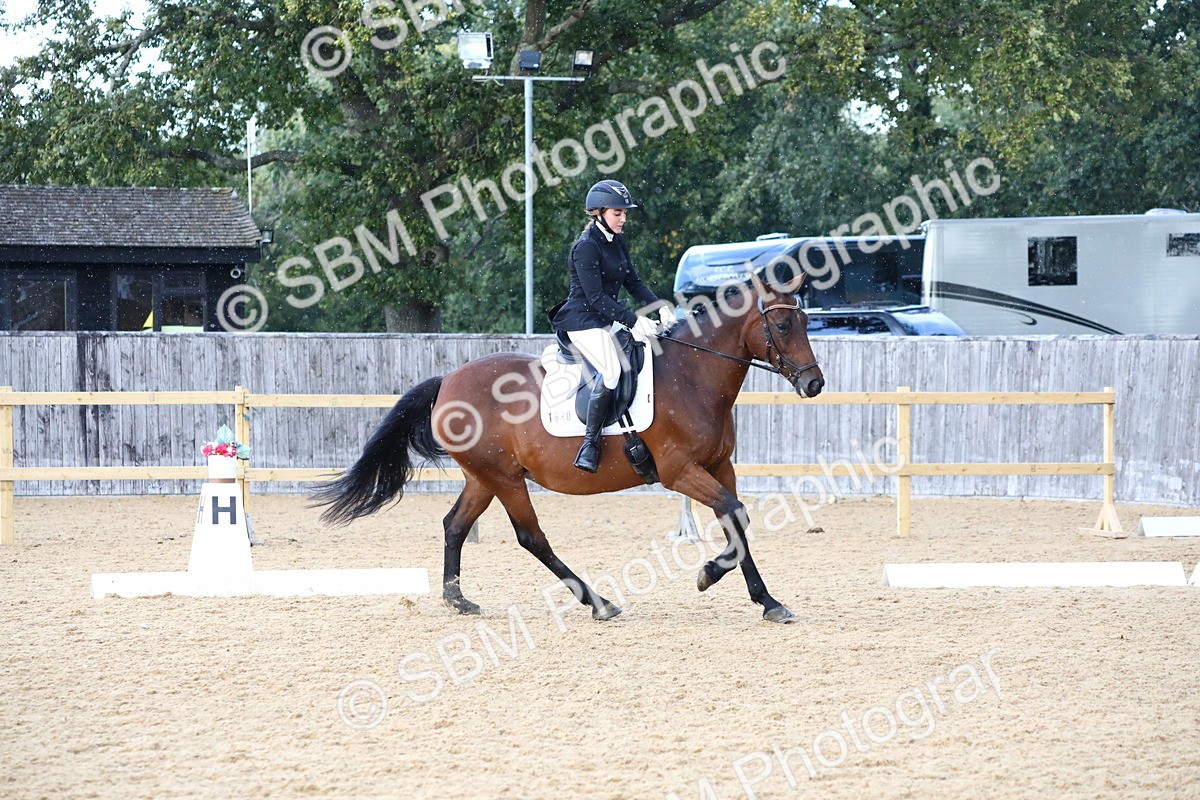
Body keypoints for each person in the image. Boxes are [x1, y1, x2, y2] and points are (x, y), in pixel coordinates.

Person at [550, 179, 673, 473]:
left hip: (606, 319)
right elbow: (595, 298)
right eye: (618, 213)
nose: (623, 219)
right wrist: (633, 320)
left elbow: (633, 282)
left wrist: (660, 307)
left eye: (624, 213)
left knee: (645, 351)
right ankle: (589, 444)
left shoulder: (617, 241)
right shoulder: (585, 247)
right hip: (582, 321)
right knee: (612, 370)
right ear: (599, 212)